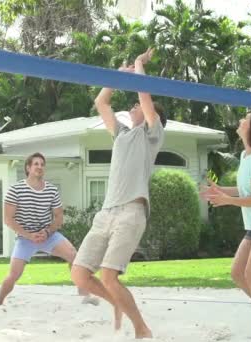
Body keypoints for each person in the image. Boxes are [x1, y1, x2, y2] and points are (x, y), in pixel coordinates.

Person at [71, 48, 166, 339]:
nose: (134, 107)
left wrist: (139, 65)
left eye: (138, 106)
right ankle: (118, 306)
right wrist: (117, 76)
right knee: (79, 274)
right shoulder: (122, 133)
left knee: (109, 277)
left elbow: (145, 97)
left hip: (131, 212)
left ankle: (141, 328)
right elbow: (101, 101)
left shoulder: (153, 134)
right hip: (107, 212)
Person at [203, 111, 251, 340]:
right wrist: (220, 191)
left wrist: (228, 201)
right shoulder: (247, 156)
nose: (241, 121)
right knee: (238, 274)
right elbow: (247, 192)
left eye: (245, 119)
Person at [0, 152, 98, 306]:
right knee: (14, 275)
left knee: (75, 257)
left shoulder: (51, 190)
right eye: (36, 164)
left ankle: (84, 295)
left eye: (42, 164)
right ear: (28, 168)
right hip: (25, 238)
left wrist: (47, 232)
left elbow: (58, 218)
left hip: (48, 236)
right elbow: (8, 219)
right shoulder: (15, 190)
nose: (40, 167)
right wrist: (29, 235)